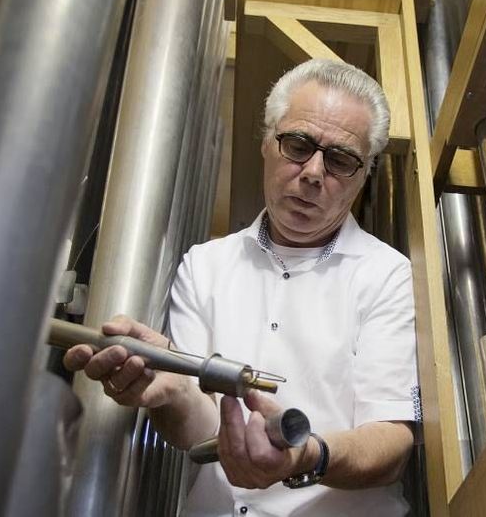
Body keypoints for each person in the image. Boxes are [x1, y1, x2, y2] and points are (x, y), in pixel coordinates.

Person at [64, 59, 418, 515]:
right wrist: (171, 390)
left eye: (341, 159)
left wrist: (307, 456)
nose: (313, 172)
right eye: (298, 144)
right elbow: (203, 425)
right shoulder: (205, 265)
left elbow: (392, 441)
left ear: (364, 173)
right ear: (267, 143)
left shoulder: (386, 274)